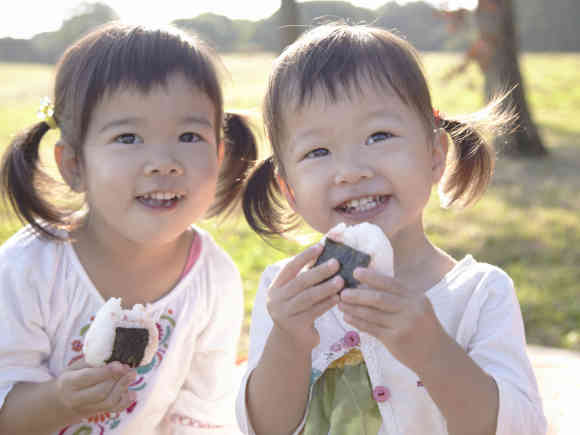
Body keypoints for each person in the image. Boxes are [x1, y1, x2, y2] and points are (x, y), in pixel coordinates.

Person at [236, 23, 546, 435]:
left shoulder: (479, 295)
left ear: (435, 155)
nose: (351, 171)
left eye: (378, 135)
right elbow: (264, 427)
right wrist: (289, 340)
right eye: (318, 151)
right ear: (289, 190)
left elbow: (518, 428)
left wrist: (432, 349)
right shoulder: (287, 291)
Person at [0, 22, 257, 435]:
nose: (163, 161)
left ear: (221, 153)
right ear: (74, 166)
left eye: (189, 135)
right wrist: (61, 401)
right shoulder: (27, 268)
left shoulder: (214, 277)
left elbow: (201, 417)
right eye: (128, 137)